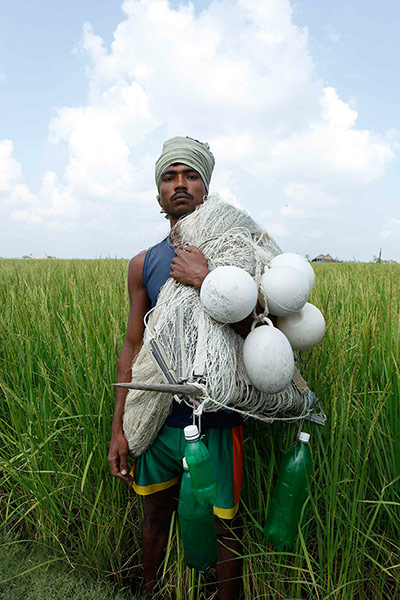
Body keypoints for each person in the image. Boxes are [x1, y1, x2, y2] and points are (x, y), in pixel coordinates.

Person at [108, 137, 249, 599]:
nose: (180, 184)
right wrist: (119, 429)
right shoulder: (143, 263)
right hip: (158, 419)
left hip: (218, 417)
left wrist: (208, 280)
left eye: (191, 176)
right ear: (159, 194)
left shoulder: (232, 253)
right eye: (170, 177)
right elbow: (133, 345)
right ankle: (152, 591)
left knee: (224, 526)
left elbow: (259, 329)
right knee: (154, 516)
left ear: (206, 190)